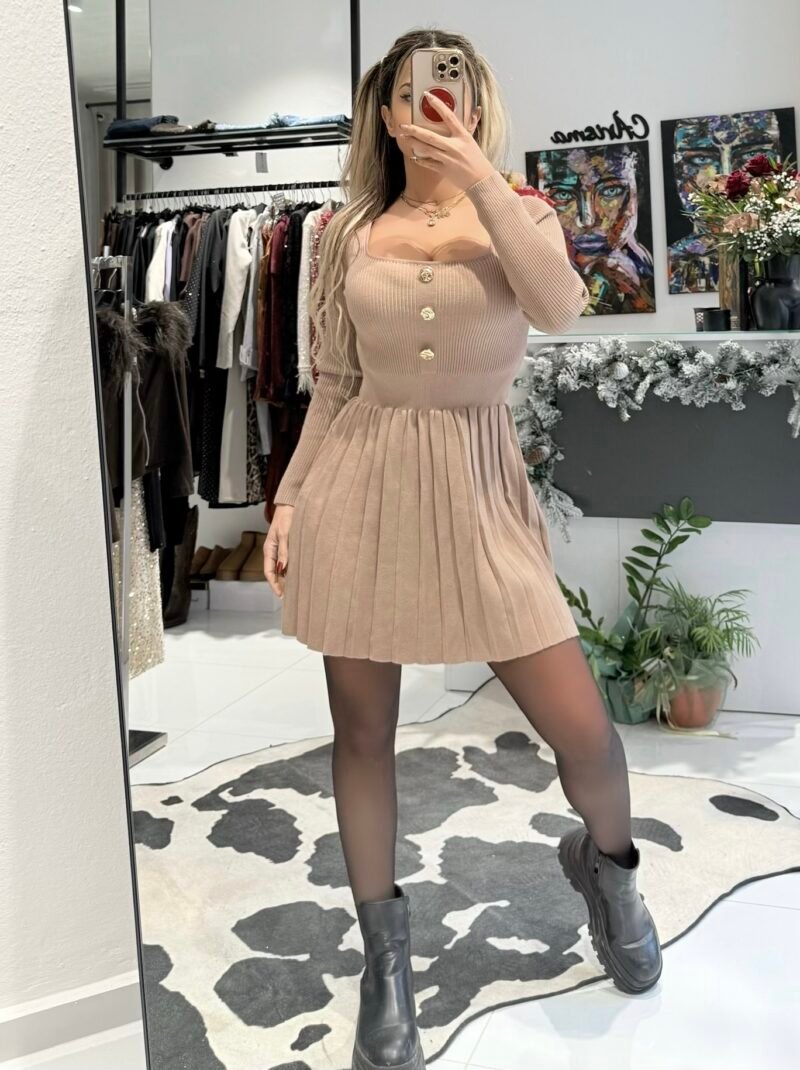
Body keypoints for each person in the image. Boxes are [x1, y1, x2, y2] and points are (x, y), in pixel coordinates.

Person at [263, 27, 662, 1070]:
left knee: (584, 731)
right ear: (383, 113)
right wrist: (292, 498)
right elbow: (333, 383)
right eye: (408, 92)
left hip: (483, 495)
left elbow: (562, 307)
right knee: (361, 734)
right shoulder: (346, 233)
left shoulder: (522, 211)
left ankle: (611, 872)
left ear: (478, 105)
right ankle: (385, 960)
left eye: (452, 89)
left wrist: (482, 180)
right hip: (361, 488)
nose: (431, 106)